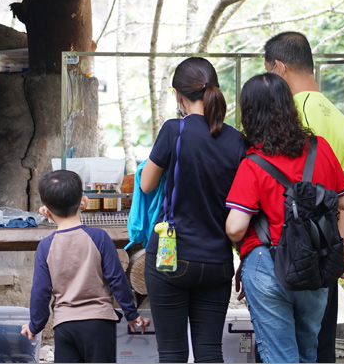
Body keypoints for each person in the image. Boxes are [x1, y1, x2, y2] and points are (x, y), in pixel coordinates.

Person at [226, 73, 344, 363]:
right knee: (308, 352)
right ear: (289, 106)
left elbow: (235, 228)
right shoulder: (320, 149)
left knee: (280, 357)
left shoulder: (254, 162)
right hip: (315, 265)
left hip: (269, 264)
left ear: (250, 114)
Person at [139, 57, 247, 363]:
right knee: (210, 353)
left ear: (177, 95)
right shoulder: (237, 141)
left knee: (172, 354)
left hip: (171, 258)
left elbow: (147, 184)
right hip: (217, 262)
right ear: (215, 89)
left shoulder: (175, 130)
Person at [263, 31, 344, 363]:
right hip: (325, 250)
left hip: (285, 256)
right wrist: (343, 241)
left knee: (281, 345)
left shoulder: (285, 116)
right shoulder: (341, 120)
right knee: (321, 347)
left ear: (279, 67)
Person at [22, 170, 149, 363]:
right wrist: (131, 314)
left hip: (64, 326)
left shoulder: (45, 247)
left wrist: (34, 326)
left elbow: (40, 292)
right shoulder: (99, 238)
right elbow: (117, 280)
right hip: (99, 324)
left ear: (46, 211)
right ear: (84, 201)